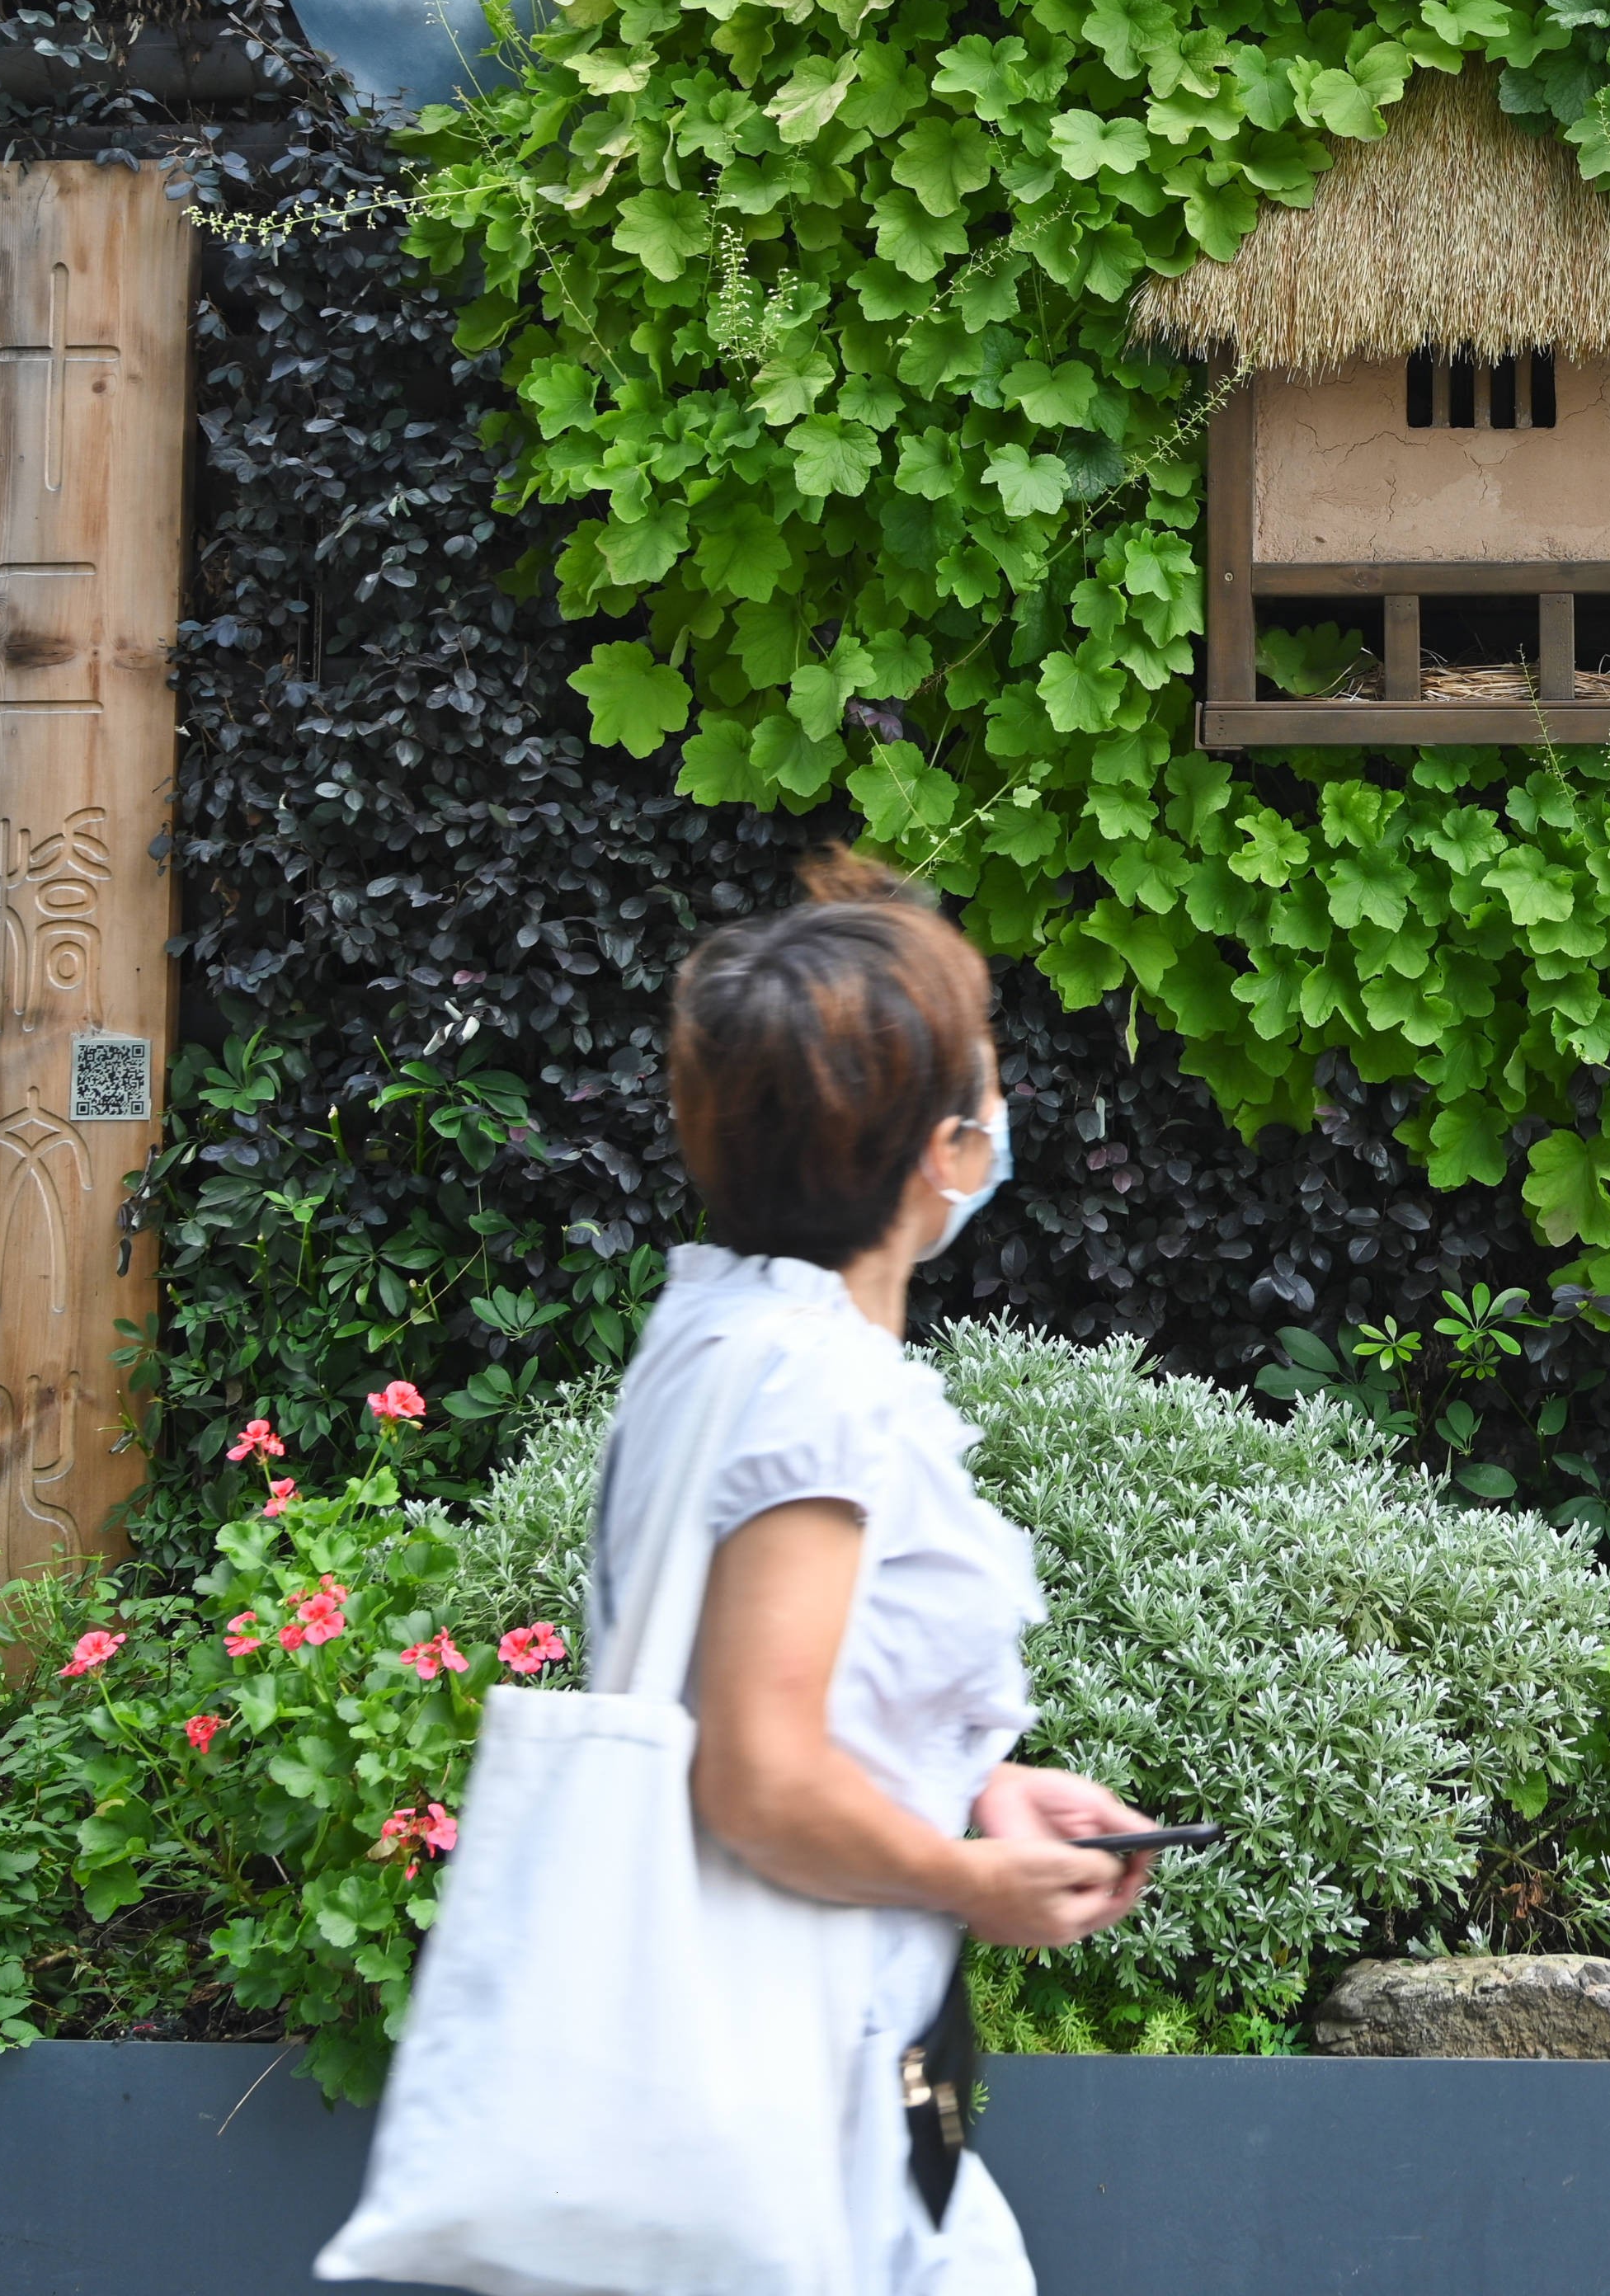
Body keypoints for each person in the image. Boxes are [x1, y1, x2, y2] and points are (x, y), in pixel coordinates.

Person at [593, 852, 1158, 2294]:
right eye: (983, 1082)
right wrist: (973, 1875)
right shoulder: (815, 1394)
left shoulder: (717, 1337)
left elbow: (789, 1692)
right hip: (793, 2080)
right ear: (939, 1152)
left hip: (803, 2066)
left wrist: (977, 1784)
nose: (1001, 1110)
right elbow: (762, 1778)